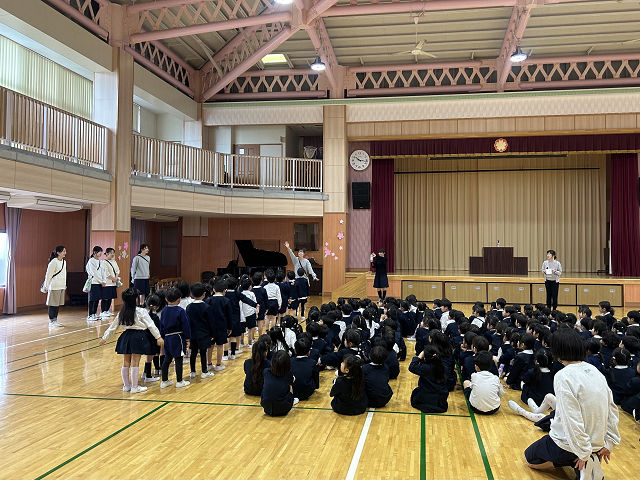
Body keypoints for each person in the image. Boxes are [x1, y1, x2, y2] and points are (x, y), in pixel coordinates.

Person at [523, 328, 620, 479]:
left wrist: (583, 452)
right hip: (597, 443)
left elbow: (571, 418)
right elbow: (612, 409)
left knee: (529, 459)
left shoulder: (563, 375)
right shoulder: (594, 370)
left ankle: (575, 460)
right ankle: (585, 460)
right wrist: (610, 442)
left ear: (556, 351)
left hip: (570, 445)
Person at [99, 288, 164, 393]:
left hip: (126, 337)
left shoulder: (122, 312)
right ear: (136, 299)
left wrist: (104, 338)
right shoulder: (141, 311)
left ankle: (126, 386)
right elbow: (151, 325)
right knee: (135, 362)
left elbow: (113, 327)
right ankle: (134, 387)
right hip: (138, 337)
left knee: (126, 362)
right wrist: (158, 337)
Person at [159, 287, 192, 389]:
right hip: (178, 337)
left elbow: (161, 326)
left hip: (167, 337)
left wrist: (162, 337)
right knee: (178, 359)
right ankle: (179, 381)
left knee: (167, 359)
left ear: (166, 299)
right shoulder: (180, 311)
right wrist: (187, 339)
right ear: (179, 299)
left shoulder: (164, 311)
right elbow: (186, 325)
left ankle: (164, 381)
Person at [409, 345, 449, 413]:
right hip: (440, 399)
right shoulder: (444, 367)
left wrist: (419, 357)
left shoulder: (425, 368)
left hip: (427, 395)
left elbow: (411, 367)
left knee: (416, 393)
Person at [462, 351, 503, 415]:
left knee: (466, 382)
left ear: (476, 366)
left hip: (475, 409)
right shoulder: (495, 378)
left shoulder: (474, 376)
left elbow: (471, 388)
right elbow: (500, 393)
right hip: (494, 409)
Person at [261, 350, 296, 416]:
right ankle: (290, 400)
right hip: (283, 409)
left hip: (266, 407)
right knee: (290, 386)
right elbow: (293, 380)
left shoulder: (266, 372)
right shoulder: (288, 374)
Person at [43, 245, 67, 328]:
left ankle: (55, 320)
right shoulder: (53, 262)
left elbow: (64, 274)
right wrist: (46, 286)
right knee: (52, 304)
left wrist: (64, 285)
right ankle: (51, 321)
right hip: (54, 286)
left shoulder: (64, 262)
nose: (65, 253)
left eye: (65, 251)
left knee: (57, 304)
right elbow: (48, 275)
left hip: (61, 286)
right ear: (58, 253)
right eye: (63, 251)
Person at [85, 246, 106, 322]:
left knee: (97, 298)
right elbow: (93, 273)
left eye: (101, 252)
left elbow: (103, 272)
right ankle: (90, 315)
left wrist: (104, 281)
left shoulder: (101, 261)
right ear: (94, 252)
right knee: (92, 299)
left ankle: (94, 313)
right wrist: (101, 281)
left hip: (100, 283)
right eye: (99, 251)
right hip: (94, 282)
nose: (100, 253)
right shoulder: (91, 261)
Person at [100, 247, 120, 319]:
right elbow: (106, 273)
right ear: (107, 253)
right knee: (105, 297)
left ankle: (107, 310)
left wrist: (116, 278)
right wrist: (113, 279)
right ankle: (103, 311)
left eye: (113, 253)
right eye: (111, 253)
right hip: (107, 283)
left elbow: (117, 270)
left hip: (113, 283)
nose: (112, 254)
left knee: (110, 297)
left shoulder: (114, 262)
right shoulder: (104, 262)